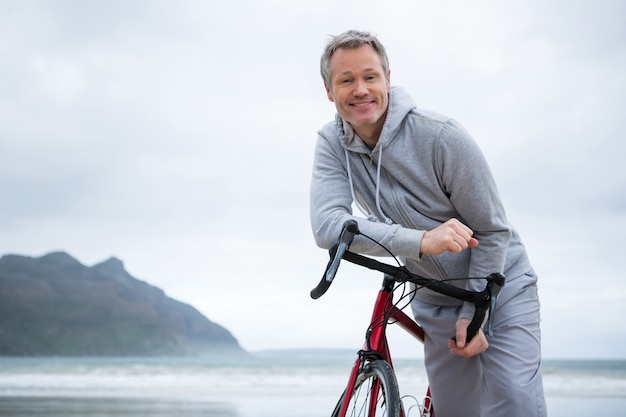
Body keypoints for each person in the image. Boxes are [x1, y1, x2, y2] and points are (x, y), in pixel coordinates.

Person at [309, 30, 546, 417]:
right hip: (434, 294)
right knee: (457, 411)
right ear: (329, 91)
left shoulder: (441, 136)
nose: (360, 90)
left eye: (370, 76)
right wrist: (420, 241)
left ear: (388, 78)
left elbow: (491, 229)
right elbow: (328, 226)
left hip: (500, 283)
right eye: (346, 80)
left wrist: (476, 312)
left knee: (514, 400)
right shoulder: (331, 144)